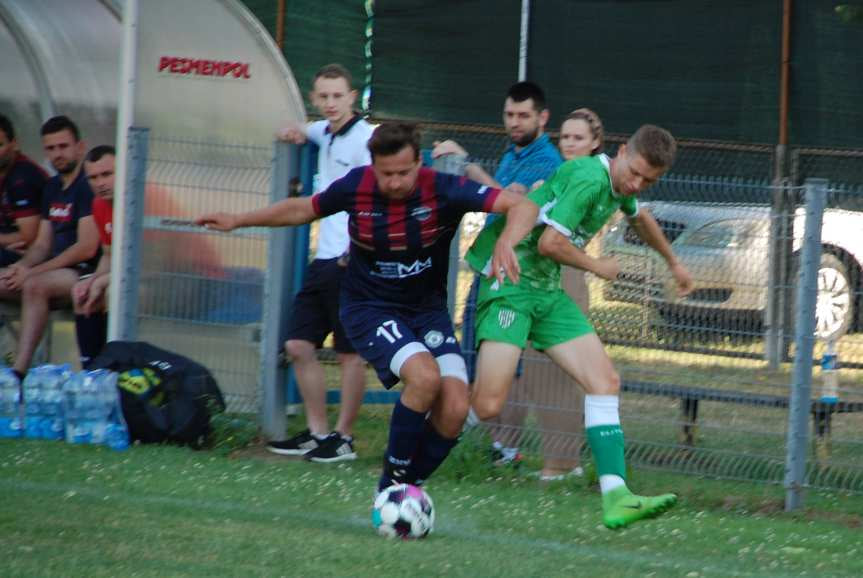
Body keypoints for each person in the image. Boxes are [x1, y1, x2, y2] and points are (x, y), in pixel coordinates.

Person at [197, 122, 530, 496]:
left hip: (426, 312)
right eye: (386, 173)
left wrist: (507, 242)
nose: (395, 182)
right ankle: (389, 488)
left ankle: (407, 492)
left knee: (454, 407)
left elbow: (520, 205)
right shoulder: (357, 186)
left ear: (419, 162)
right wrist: (239, 219)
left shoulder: (443, 189)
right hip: (370, 308)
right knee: (424, 378)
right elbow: (302, 209)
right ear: (373, 166)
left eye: (404, 172)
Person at [466, 124, 695, 529]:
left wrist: (673, 262)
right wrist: (598, 266)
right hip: (511, 284)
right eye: (635, 173)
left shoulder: (619, 185)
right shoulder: (589, 180)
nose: (636, 184)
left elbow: (641, 219)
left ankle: (617, 497)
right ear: (622, 150)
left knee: (604, 382)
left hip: (547, 293)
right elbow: (548, 244)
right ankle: (433, 421)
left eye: (648, 180)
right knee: (487, 405)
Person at [432, 81, 562, 467]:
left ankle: (506, 447)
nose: (515, 122)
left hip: (514, 276)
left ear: (543, 117)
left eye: (523, 116)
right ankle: (493, 445)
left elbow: (510, 205)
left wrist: (469, 166)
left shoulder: (546, 162)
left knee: (506, 368)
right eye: (509, 115)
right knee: (477, 358)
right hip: (490, 269)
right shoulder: (514, 152)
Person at [265, 63, 375, 463]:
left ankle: (344, 439)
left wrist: (361, 251)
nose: (330, 103)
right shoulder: (323, 133)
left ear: (353, 97)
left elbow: (391, 179)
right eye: (323, 97)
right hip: (323, 259)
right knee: (297, 344)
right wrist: (293, 130)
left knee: (350, 354)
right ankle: (316, 433)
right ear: (315, 99)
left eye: (337, 96)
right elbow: (300, 128)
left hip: (354, 261)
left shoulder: (368, 139)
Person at [524, 108, 605, 481]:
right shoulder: (563, 173)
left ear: (595, 143)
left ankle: (565, 460)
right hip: (539, 274)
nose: (570, 144)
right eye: (565, 138)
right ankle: (555, 457)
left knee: (564, 370)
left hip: (567, 272)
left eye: (578, 138)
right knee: (538, 370)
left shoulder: (591, 179)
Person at [0, 115, 100, 381]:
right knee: (6, 279)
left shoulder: (87, 186)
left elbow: (86, 249)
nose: (58, 154)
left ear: (80, 146)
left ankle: (18, 373)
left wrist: (31, 273)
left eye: (64, 146)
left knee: (34, 285)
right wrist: (20, 267)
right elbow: (42, 243)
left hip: (83, 273)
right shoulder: (53, 186)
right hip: (52, 270)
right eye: (51, 148)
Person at [71, 146, 116, 368]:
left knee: (111, 294)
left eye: (107, 174)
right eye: (93, 177)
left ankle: (114, 371)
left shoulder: (142, 202)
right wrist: (92, 280)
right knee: (81, 292)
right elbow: (108, 255)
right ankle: (90, 375)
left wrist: (103, 281)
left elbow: (151, 265)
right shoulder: (98, 204)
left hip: (175, 279)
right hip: (130, 275)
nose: (100, 183)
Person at [0, 113, 46, 266]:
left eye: (0, 145)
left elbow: (28, 237)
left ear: (15, 144)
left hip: (33, 254)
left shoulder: (22, 177)